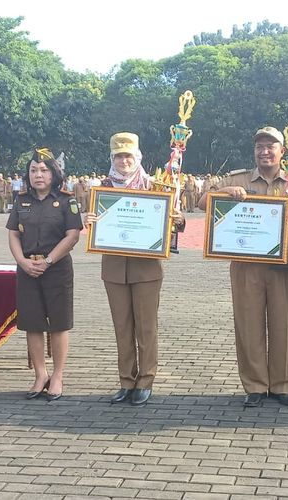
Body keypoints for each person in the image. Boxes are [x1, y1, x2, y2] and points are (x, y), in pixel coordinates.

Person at [198, 126, 288, 407]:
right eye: (259, 147)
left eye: (270, 146)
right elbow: (203, 202)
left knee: (283, 324)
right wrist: (227, 191)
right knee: (248, 324)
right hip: (246, 266)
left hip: (284, 266)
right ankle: (254, 385)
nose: (264, 151)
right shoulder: (237, 178)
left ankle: (282, 385)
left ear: (282, 151)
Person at [86, 133, 184, 406]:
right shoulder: (102, 189)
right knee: (122, 326)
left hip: (146, 269)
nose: (124, 161)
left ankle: (146, 379)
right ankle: (126, 381)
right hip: (115, 269)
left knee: (146, 327)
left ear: (137, 158)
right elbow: (94, 222)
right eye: (118, 156)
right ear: (112, 159)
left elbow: (176, 224)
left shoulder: (155, 187)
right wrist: (89, 218)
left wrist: (176, 218)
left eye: (128, 156)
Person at [7, 148, 82, 402]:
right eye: (33, 170)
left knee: (59, 324)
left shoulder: (66, 200)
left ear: (54, 173)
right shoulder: (21, 200)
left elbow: (72, 236)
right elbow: (13, 233)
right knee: (32, 323)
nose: (38, 175)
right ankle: (40, 374)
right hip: (27, 268)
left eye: (44, 170)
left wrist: (48, 261)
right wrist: (21, 261)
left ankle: (58, 376)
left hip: (57, 268)